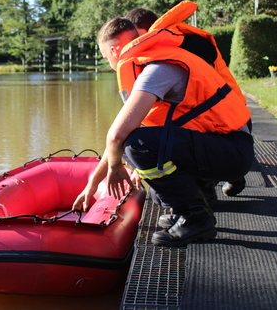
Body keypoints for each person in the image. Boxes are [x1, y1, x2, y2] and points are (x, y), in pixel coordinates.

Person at [72, 13, 254, 248]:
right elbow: (122, 131)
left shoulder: (158, 68)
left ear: (115, 50)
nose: (109, 63)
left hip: (231, 152)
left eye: (106, 56)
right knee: (155, 185)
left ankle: (196, 218)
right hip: (223, 144)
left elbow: (118, 135)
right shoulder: (157, 60)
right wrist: (93, 183)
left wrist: (116, 167)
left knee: (136, 145)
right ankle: (193, 205)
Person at [126, 2, 248, 201]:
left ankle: (211, 187)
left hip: (227, 121)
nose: (136, 45)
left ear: (153, 31)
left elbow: (201, 103)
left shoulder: (188, 48)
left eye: (138, 37)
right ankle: (224, 175)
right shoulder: (162, 54)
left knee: (161, 148)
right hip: (215, 121)